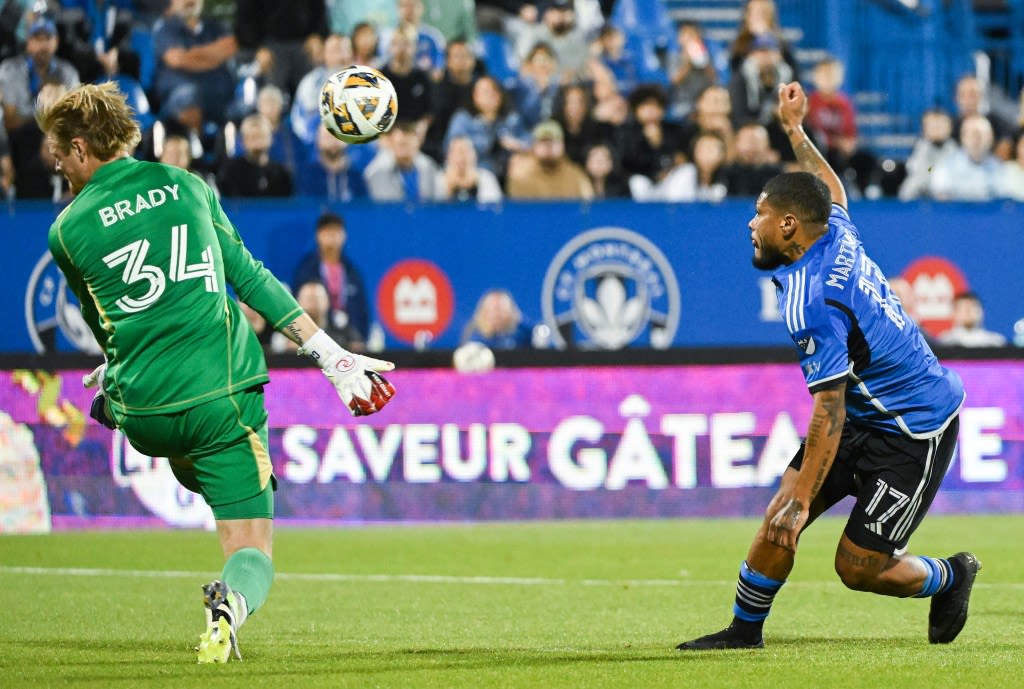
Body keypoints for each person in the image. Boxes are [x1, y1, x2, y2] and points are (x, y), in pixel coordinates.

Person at [39, 82, 396, 663]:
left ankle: (121, 407)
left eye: (58, 149)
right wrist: (331, 354)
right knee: (252, 546)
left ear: (81, 148)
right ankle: (230, 605)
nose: (55, 162)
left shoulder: (67, 230)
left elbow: (103, 323)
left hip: (145, 413)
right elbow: (250, 279)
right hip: (219, 400)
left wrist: (117, 375)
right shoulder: (186, 187)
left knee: (188, 455)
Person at [677, 81, 979, 652]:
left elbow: (829, 409)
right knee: (777, 517)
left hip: (914, 427)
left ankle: (951, 574)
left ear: (789, 226)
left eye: (761, 215)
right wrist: (794, 132)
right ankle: (744, 633)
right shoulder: (832, 230)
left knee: (857, 567)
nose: (751, 224)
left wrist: (801, 497)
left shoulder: (810, 297)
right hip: (864, 413)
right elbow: (831, 189)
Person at [292, 212, 372, 351]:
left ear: (344, 235)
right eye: (327, 231)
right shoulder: (306, 270)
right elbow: (296, 306)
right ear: (318, 235)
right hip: (317, 339)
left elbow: (362, 310)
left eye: (336, 231)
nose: (332, 236)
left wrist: (361, 339)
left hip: (350, 340)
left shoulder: (352, 272)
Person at [152, 0, 237, 124]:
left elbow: (230, 48)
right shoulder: (165, 27)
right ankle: (192, 143)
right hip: (180, 97)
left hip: (222, 97)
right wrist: (215, 55)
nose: (190, 1)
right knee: (189, 97)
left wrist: (191, 55)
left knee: (252, 103)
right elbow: (178, 60)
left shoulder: (217, 26)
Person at [506, 119, 593, 200]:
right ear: (534, 146)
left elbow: (588, 207)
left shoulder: (577, 176)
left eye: (553, 142)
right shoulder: (520, 175)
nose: (548, 147)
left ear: (563, 146)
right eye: (543, 142)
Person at [928, 114, 1006, 201]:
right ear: (963, 137)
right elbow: (941, 199)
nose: (976, 140)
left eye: (981, 135)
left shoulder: (999, 168)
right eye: (972, 134)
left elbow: (1002, 200)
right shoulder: (946, 166)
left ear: (991, 138)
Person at [364, 120, 445, 201]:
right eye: (401, 144)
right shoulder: (378, 171)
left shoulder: (428, 166)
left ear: (418, 142)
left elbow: (436, 199)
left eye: (408, 143)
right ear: (391, 143)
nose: (405, 150)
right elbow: (384, 204)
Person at [217, 114, 293, 197]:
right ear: (243, 140)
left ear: (270, 138)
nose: (257, 142)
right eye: (252, 137)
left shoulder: (281, 174)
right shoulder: (230, 172)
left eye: (261, 136)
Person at [898, 108, 958, 201]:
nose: (936, 129)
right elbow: (926, 172)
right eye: (932, 125)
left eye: (940, 125)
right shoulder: (920, 149)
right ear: (924, 129)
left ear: (950, 127)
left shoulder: (957, 152)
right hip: (921, 198)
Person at [462, 288, 534, 349]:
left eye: (500, 309)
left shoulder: (522, 333)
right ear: (483, 312)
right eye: (492, 309)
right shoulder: (475, 337)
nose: (496, 315)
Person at [938, 292, 1007, 347]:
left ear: (982, 312)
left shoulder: (995, 343)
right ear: (953, 313)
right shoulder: (944, 343)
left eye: (973, 307)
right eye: (964, 308)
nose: (969, 312)